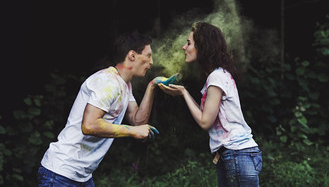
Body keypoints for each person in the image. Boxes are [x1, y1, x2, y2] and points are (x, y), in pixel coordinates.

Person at [38, 32, 161, 187]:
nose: (151, 62)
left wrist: (152, 86)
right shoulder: (108, 82)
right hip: (60, 174)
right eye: (148, 55)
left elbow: (138, 121)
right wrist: (132, 131)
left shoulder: (124, 84)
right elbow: (89, 125)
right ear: (132, 55)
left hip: (82, 177)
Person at [159, 22, 262, 187]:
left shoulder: (216, 78)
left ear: (203, 47)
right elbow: (206, 116)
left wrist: (184, 93)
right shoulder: (217, 76)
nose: (184, 47)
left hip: (236, 154)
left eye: (189, 43)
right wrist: (183, 92)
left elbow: (205, 122)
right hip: (232, 155)